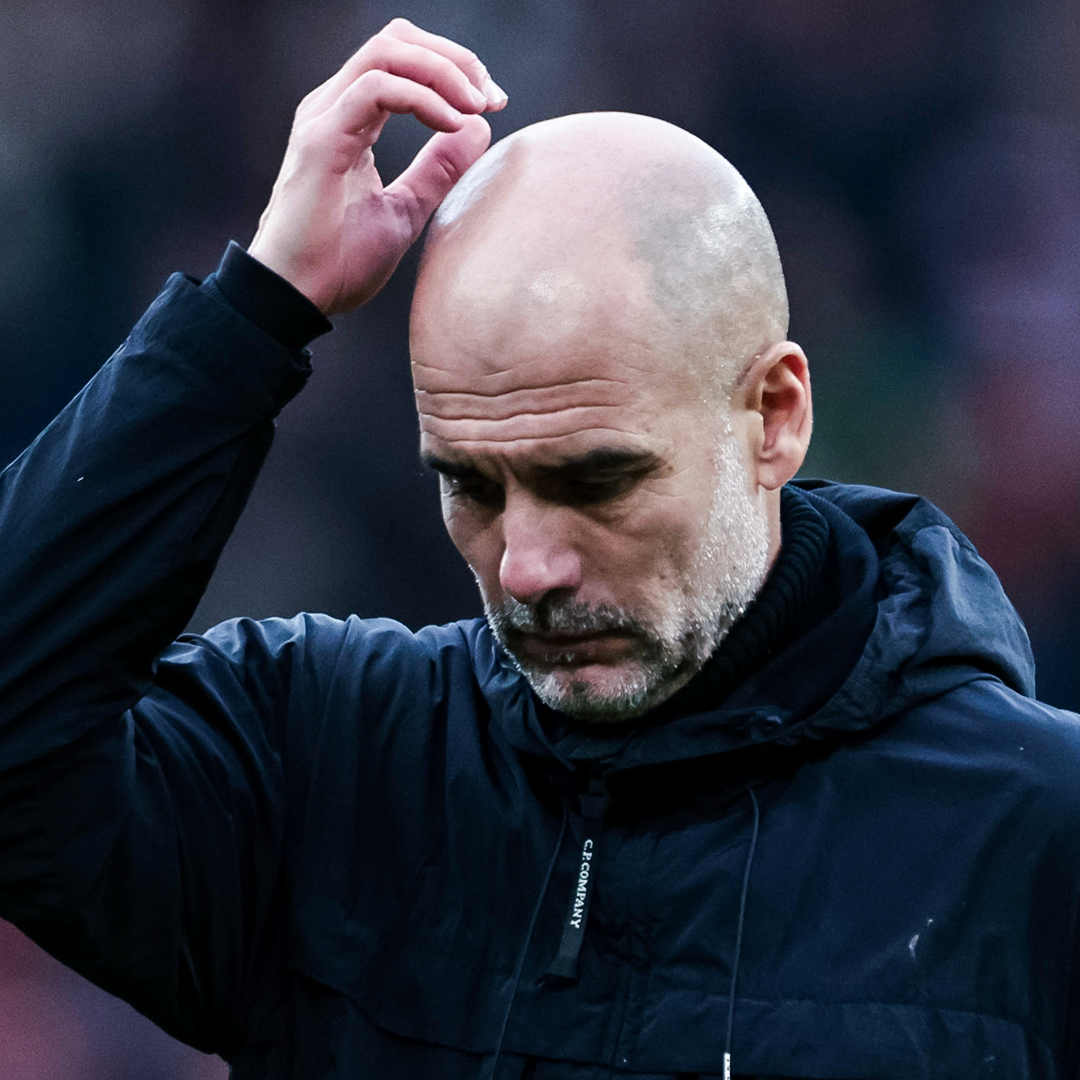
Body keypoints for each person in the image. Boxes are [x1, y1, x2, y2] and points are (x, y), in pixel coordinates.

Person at [1, 16, 1078, 1080]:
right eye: (470, 486)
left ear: (773, 417)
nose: (525, 568)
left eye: (596, 481)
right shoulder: (325, 760)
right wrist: (256, 308)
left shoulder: (1033, 833)